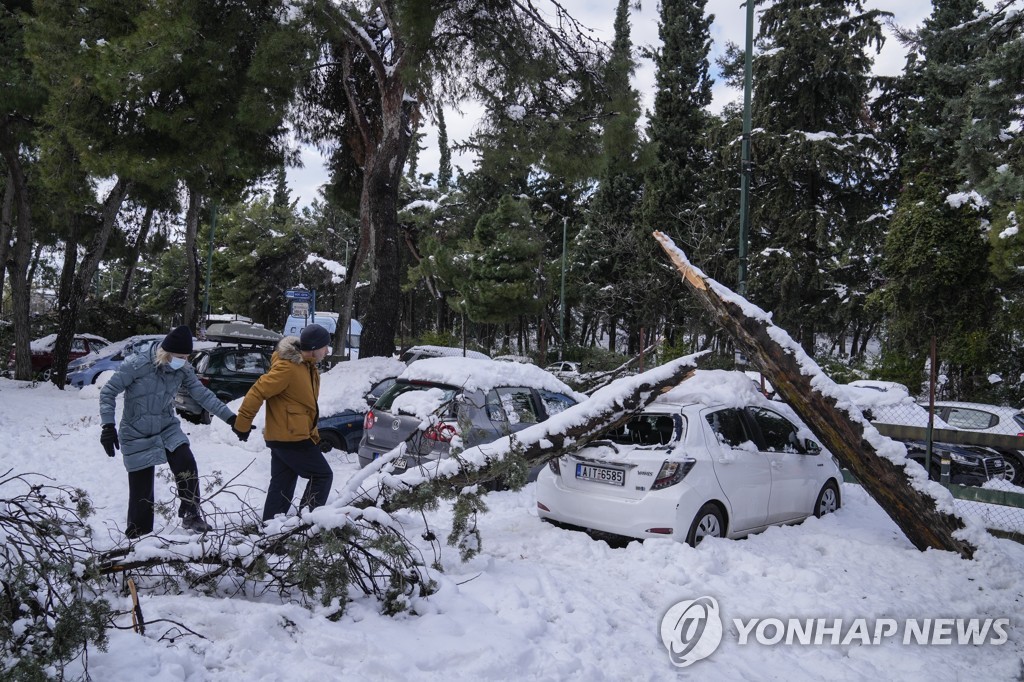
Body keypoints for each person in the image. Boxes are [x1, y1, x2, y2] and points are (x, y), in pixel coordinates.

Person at [100, 325, 238, 538]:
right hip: (136, 431)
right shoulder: (136, 365)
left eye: (186, 357)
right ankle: (139, 534)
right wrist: (108, 426)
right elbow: (108, 392)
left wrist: (231, 418)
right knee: (142, 490)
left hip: (166, 427)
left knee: (186, 462)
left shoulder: (182, 369)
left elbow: (202, 394)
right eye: (179, 356)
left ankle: (191, 514)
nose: (183, 361)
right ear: (166, 353)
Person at [233, 324, 334, 522]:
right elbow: (257, 391)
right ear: (313, 348)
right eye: (325, 346)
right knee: (322, 476)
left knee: (282, 485)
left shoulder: (307, 366)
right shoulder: (288, 367)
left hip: (287, 435)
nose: (327, 351)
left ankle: (271, 529)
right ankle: (307, 523)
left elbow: (302, 405)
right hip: (291, 438)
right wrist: (242, 424)